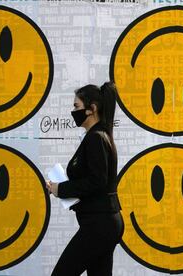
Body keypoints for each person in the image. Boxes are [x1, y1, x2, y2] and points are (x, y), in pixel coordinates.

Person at [46, 81, 124, 276]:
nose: (73, 111)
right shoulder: (100, 135)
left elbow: (97, 181)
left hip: (99, 224)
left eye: (76, 106)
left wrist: (60, 189)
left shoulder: (96, 138)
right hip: (104, 222)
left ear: (92, 109)